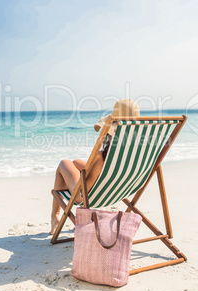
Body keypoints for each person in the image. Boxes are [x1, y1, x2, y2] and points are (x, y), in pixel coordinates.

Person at [50, 99, 140, 235]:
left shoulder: (101, 156)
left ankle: (54, 217)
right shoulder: (135, 152)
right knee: (77, 162)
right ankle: (55, 217)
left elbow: (86, 187)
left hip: (87, 195)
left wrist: (80, 175)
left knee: (64, 163)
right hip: (118, 191)